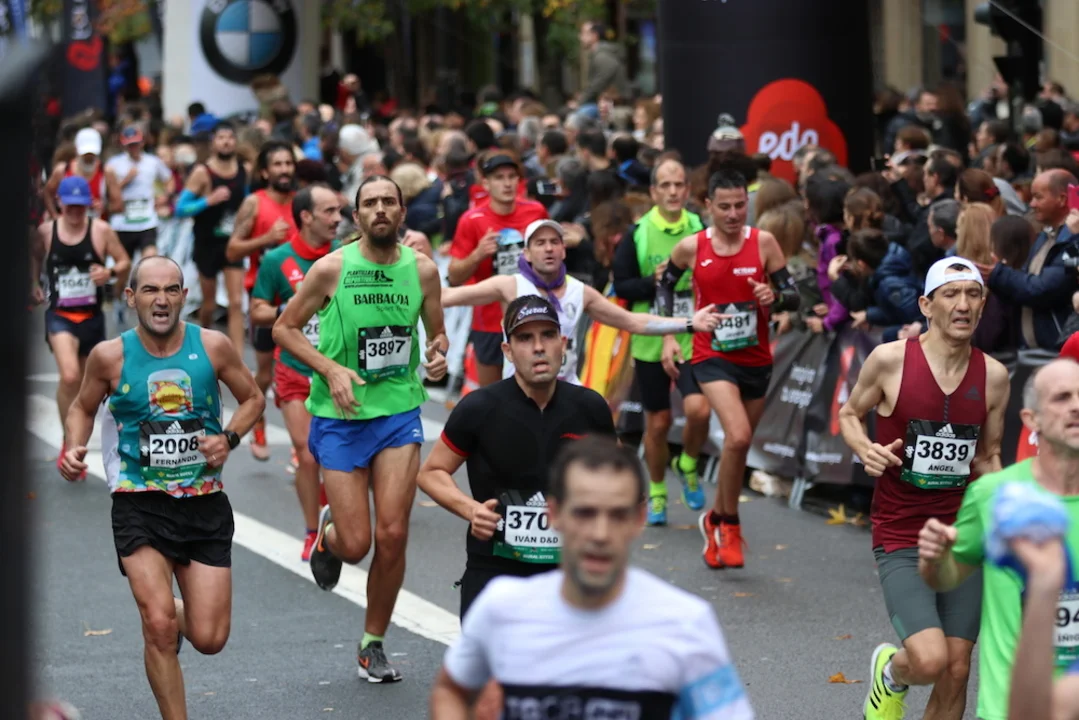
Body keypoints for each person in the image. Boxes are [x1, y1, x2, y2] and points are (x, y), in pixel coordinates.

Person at [58, 255, 265, 720]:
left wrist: (229, 438)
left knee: (210, 638)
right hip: (139, 501)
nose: (162, 299)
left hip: (203, 501)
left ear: (184, 297)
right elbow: (82, 407)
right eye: (151, 290)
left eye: (171, 289)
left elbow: (253, 398)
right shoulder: (110, 356)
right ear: (131, 297)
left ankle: (173, 609)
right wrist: (73, 446)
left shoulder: (212, 347)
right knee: (157, 626)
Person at [429, 435, 755, 720]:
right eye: (584, 513)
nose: (600, 533)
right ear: (554, 514)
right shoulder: (503, 608)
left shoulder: (685, 624)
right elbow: (451, 691)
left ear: (639, 518)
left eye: (617, 514)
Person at [273, 175, 448, 682]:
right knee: (356, 545)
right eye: (369, 203)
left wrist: (438, 356)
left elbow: (436, 335)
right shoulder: (331, 268)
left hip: (398, 412)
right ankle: (329, 537)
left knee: (393, 533)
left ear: (402, 212)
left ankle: (373, 642)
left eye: (388, 202)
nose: (380, 209)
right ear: (357, 217)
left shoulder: (423, 271)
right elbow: (284, 328)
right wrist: (330, 369)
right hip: (341, 415)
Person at [418, 294, 618, 719]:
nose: (539, 347)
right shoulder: (480, 408)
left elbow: (615, 483)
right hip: (495, 572)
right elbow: (431, 472)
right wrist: (471, 510)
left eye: (547, 336)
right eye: (525, 339)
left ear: (564, 343)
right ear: (508, 351)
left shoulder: (590, 409)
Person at [839, 257, 1009, 720]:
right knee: (930, 660)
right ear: (926, 305)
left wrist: (1006, 512)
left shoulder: (994, 376)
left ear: (983, 305)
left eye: (972, 294)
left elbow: (988, 456)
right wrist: (867, 449)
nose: (963, 305)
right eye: (950, 294)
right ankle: (891, 676)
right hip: (902, 532)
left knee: (957, 667)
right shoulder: (890, 360)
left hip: (962, 536)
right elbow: (850, 414)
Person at [917, 358, 1079, 720]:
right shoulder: (995, 495)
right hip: (1009, 707)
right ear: (1032, 420)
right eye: (1062, 397)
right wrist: (935, 560)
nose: (1077, 406)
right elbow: (947, 577)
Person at [655, 168, 800, 570]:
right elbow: (665, 285)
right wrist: (671, 335)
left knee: (739, 446)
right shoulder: (692, 246)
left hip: (756, 359)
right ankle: (731, 526)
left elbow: (793, 296)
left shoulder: (764, 243)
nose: (734, 214)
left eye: (739, 205)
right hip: (711, 355)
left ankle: (714, 519)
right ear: (708, 206)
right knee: (737, 436)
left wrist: (774, 297)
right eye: (724, 207)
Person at [441, 219, 721, 382]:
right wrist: (416, 270)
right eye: (540, 243)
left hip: (565, 390)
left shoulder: (580, 291)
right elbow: (448, 296)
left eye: (555, 242)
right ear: (526, 254)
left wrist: (689, 323)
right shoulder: (510, 285)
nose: (548, 249)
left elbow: (633, 322)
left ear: (564, 250)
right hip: (519, 391)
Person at [612, 157, 711, 525]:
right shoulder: (639, 232)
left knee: (699, 410)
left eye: (679, 184)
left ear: (688, 190)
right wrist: (652, 282)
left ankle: (687, 463)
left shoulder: (700, 228)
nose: (673, 192)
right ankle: (656, 491)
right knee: (658, 423)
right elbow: (621, 286)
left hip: (693, 334)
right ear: (653, 192)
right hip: (652, 337)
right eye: (665, 185)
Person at [250, 185, 338, 560]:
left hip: (336, 371)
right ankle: (312, 531)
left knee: (334, 455)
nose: (337, 218)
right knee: (307, 453)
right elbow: (256, 310)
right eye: (329, 211)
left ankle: (331, 509)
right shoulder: (277, 260)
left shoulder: (346, 257)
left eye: (339, 211)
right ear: (306, 216)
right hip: (294, 370)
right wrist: (290, 309)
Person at [37, 175, 130, 476]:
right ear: (60, 203)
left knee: (87, 384)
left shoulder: (101, 230)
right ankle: (70, 444)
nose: (76, 212)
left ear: (89, 204)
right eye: (70, 206)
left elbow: (124, 261)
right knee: (70, 376)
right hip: (60, 314)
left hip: (91, 317)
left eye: (81, 206)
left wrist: (109, 273)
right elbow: (32, 258)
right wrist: (32, 284)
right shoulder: (46, 231)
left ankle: (75, 437)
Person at [448, 152, 549, 388]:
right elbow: (454, 276)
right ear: (486, 183)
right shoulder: (472, 219)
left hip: (531, 315)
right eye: (499, 177)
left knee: (533, 393)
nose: (507, 183)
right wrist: (478, 254)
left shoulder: (536, 212)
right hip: (489, 321)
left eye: (512, 177)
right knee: (492, 396)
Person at [227, 140, 298, 461]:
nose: (284, 170)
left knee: (301, 373)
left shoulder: (303, 203)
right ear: (266, 171)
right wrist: (266, 239)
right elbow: (232, 250)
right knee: (266, 375)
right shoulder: (254, 204)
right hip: (265, 302)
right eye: (278, 164)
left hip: (299, 302)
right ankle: (258, 420)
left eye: (288, 163)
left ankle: (302, 445)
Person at [175, 121, 249, 352]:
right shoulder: (202, 172)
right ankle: (202, 345)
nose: (226, 142)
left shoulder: (243, 170)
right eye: (221, 137)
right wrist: (208, 200)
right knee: (209, 304)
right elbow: (180, 208)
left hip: (232, 244)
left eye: (230, 137)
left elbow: (248, 202)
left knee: (236, 303)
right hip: (207, 243)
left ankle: (237, 360)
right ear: (213, 143)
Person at [105, 124, 174, 267]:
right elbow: (108, 192)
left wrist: (165, 196)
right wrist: (126, 180)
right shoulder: (114, 164)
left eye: (136, 144)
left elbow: (169, 179)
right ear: (123, 145)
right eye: (130, 145)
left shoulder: (153, 162)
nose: (133, 148)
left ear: (142, 142)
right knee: (124, 265)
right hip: (122, 222)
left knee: (150, 259)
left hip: (147, 220)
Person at [43, 127, 118, 221]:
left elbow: (118, 205)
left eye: (92, 154)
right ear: (76, 149)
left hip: (95, 224)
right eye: (85, 155)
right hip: (67, 225)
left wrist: (104, 207)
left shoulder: (106, 171)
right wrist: (54, 216)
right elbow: (47, 193)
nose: (89, 158)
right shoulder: (62, 170)